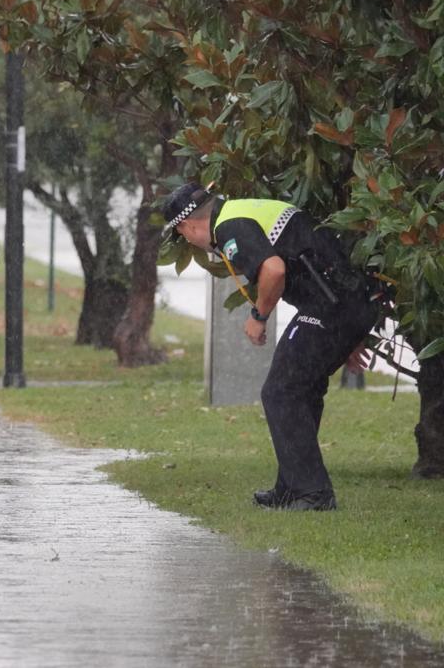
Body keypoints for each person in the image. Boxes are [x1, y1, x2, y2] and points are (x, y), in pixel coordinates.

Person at [162, 182, 379, 511]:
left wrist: (259, 315)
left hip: (332, 307)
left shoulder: (229, 227)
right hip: (346, 303)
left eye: (183, 235)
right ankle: (292, 487)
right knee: (300, 390)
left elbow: (274, 270)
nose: (188, 241)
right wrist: (347, 334)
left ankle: (313, 494)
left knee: (281, 391)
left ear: (187, 225)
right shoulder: (241, 210)